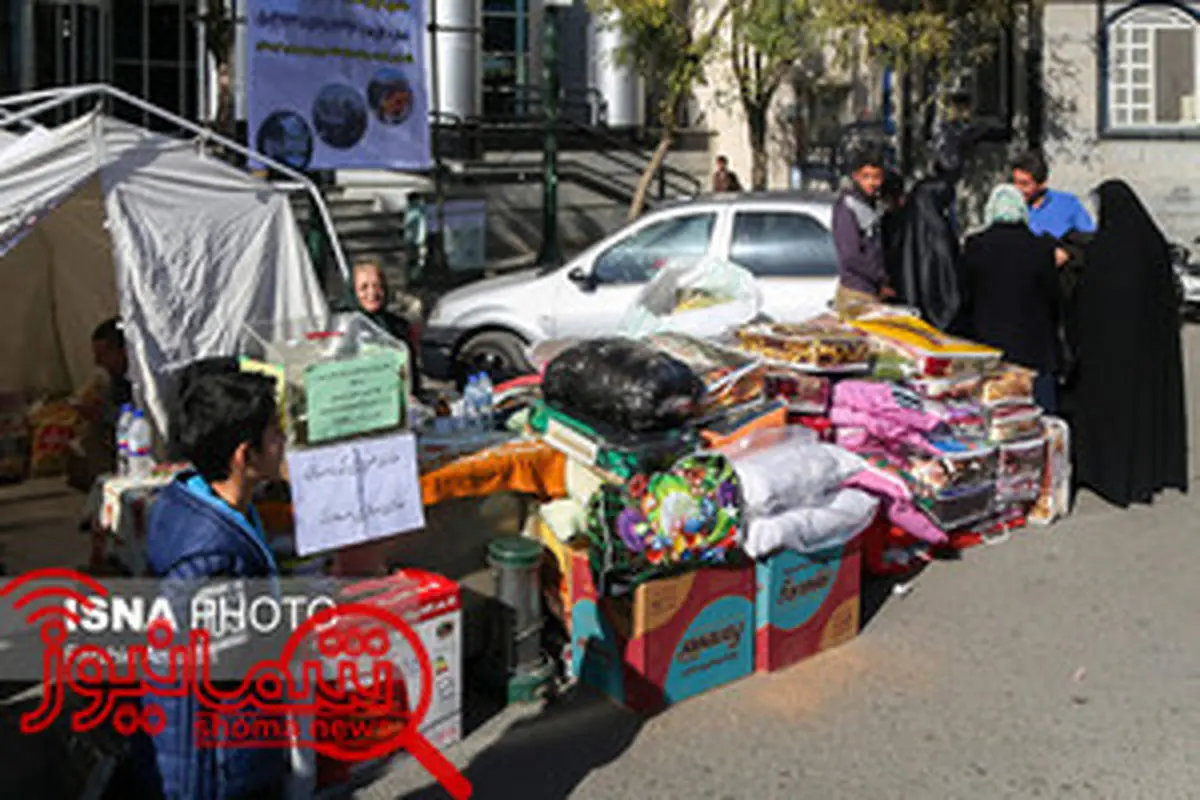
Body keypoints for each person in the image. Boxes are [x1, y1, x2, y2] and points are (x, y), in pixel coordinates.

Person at [138, 370, 287, 799]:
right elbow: (186, 696)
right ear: (245, 454)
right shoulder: (213, 566)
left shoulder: (193, 497)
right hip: (225, 767)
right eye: (275, 434)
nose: (283, 443)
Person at [1066, 180, 1187, 507]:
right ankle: (1147, 472)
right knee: (1142, 414)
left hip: (1106, 356)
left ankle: (1108, 474)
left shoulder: (1104, 250)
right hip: (1146, 353)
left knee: (1109, 417)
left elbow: (1085, 303)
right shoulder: (1154, 245)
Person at [961, 185, 1062, 412]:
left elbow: (966, 295)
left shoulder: (975, 246)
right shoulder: (1040, 248)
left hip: (989, 347)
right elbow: (1053, 297)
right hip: (1033, 348)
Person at [891, 177, 963, 332]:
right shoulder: (941, 232)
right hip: (939, 316)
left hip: (909, 313)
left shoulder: (901, 228)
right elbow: (949, 278)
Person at [345, 259, 421, 394]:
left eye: (377, 286)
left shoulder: (399, 326)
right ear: (353, 292)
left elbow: (411, 373)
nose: (372, 293)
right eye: (364, 287)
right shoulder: (344, 328)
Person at [831, 147, 890, 316]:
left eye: (876, 177)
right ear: (856, 176)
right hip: (855, 293)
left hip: (870, 291)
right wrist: (879, 276)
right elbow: (850, 256)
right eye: (866, 177)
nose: (871, 183)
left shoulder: (869, 204)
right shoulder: (848, 206)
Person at [1011, 151, 1096, 239]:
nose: (1017, 189)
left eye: (1024, 184)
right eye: (1013, 182)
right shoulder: (1007, 209)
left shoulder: (1068, 204)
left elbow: (1088, 239)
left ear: (1041, 184)